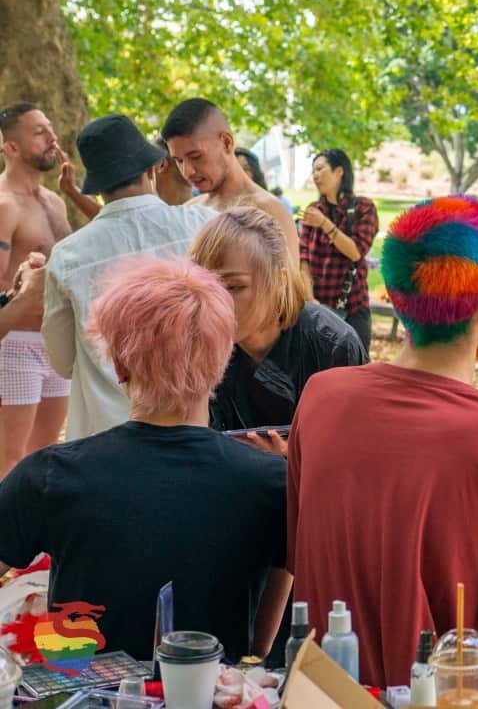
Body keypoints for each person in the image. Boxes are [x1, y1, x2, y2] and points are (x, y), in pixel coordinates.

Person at [287, 196, 478, 709]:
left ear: (396, 300)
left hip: (323, 691)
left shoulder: (320, 396)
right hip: (453, 697)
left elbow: (297, 551)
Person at [0, 257, 290, 663]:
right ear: (220, 363)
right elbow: (258, 644)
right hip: (210, 693)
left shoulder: (51, 475)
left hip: (79, 692)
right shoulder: (274, 484)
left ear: (120, 366)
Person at [43, 114, 216, 440]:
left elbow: (63, 361)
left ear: (99, 186)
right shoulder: (202, 225)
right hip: (195, 428)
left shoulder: (68, 256)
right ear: (152, 169)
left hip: (103, 437)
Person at [190, 206, 367, 453]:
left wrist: (290, 458)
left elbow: (357, 452)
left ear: (279, 280)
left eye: (233, 287)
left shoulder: (333, 345)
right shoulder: (200, 345)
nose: (217, 300)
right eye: (206, 286)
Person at [0, 103, 71, 475]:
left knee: (46, 458)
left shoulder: (56, 202)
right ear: (11, 148)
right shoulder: (4, 205)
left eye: (50, 127)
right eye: (39, 131)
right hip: (13, 348)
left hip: (54, 343)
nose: (52, 137)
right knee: (9, 461)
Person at [161, 98, 299, 263]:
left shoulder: (269, 211)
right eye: (179, 161)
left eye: (195, 156)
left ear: (227, 142)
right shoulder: (190, 210)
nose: (187, 171)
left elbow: (290, 287)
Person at [298, 148, 378, 352]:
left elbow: (356, 252)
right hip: (316, 308)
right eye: (313, 171)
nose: (315, 175)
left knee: (355, 372)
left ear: (339, 171)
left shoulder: (363, 208)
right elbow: (303, 259)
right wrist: (310, 300)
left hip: (352, 308)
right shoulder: (313, 209)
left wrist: (325, 223)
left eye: (320, 169)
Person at [56, 135, 197, 220]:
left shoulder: (152, 211)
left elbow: (115, 223)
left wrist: (71, 191)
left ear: (161, 165)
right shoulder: (205, 214)